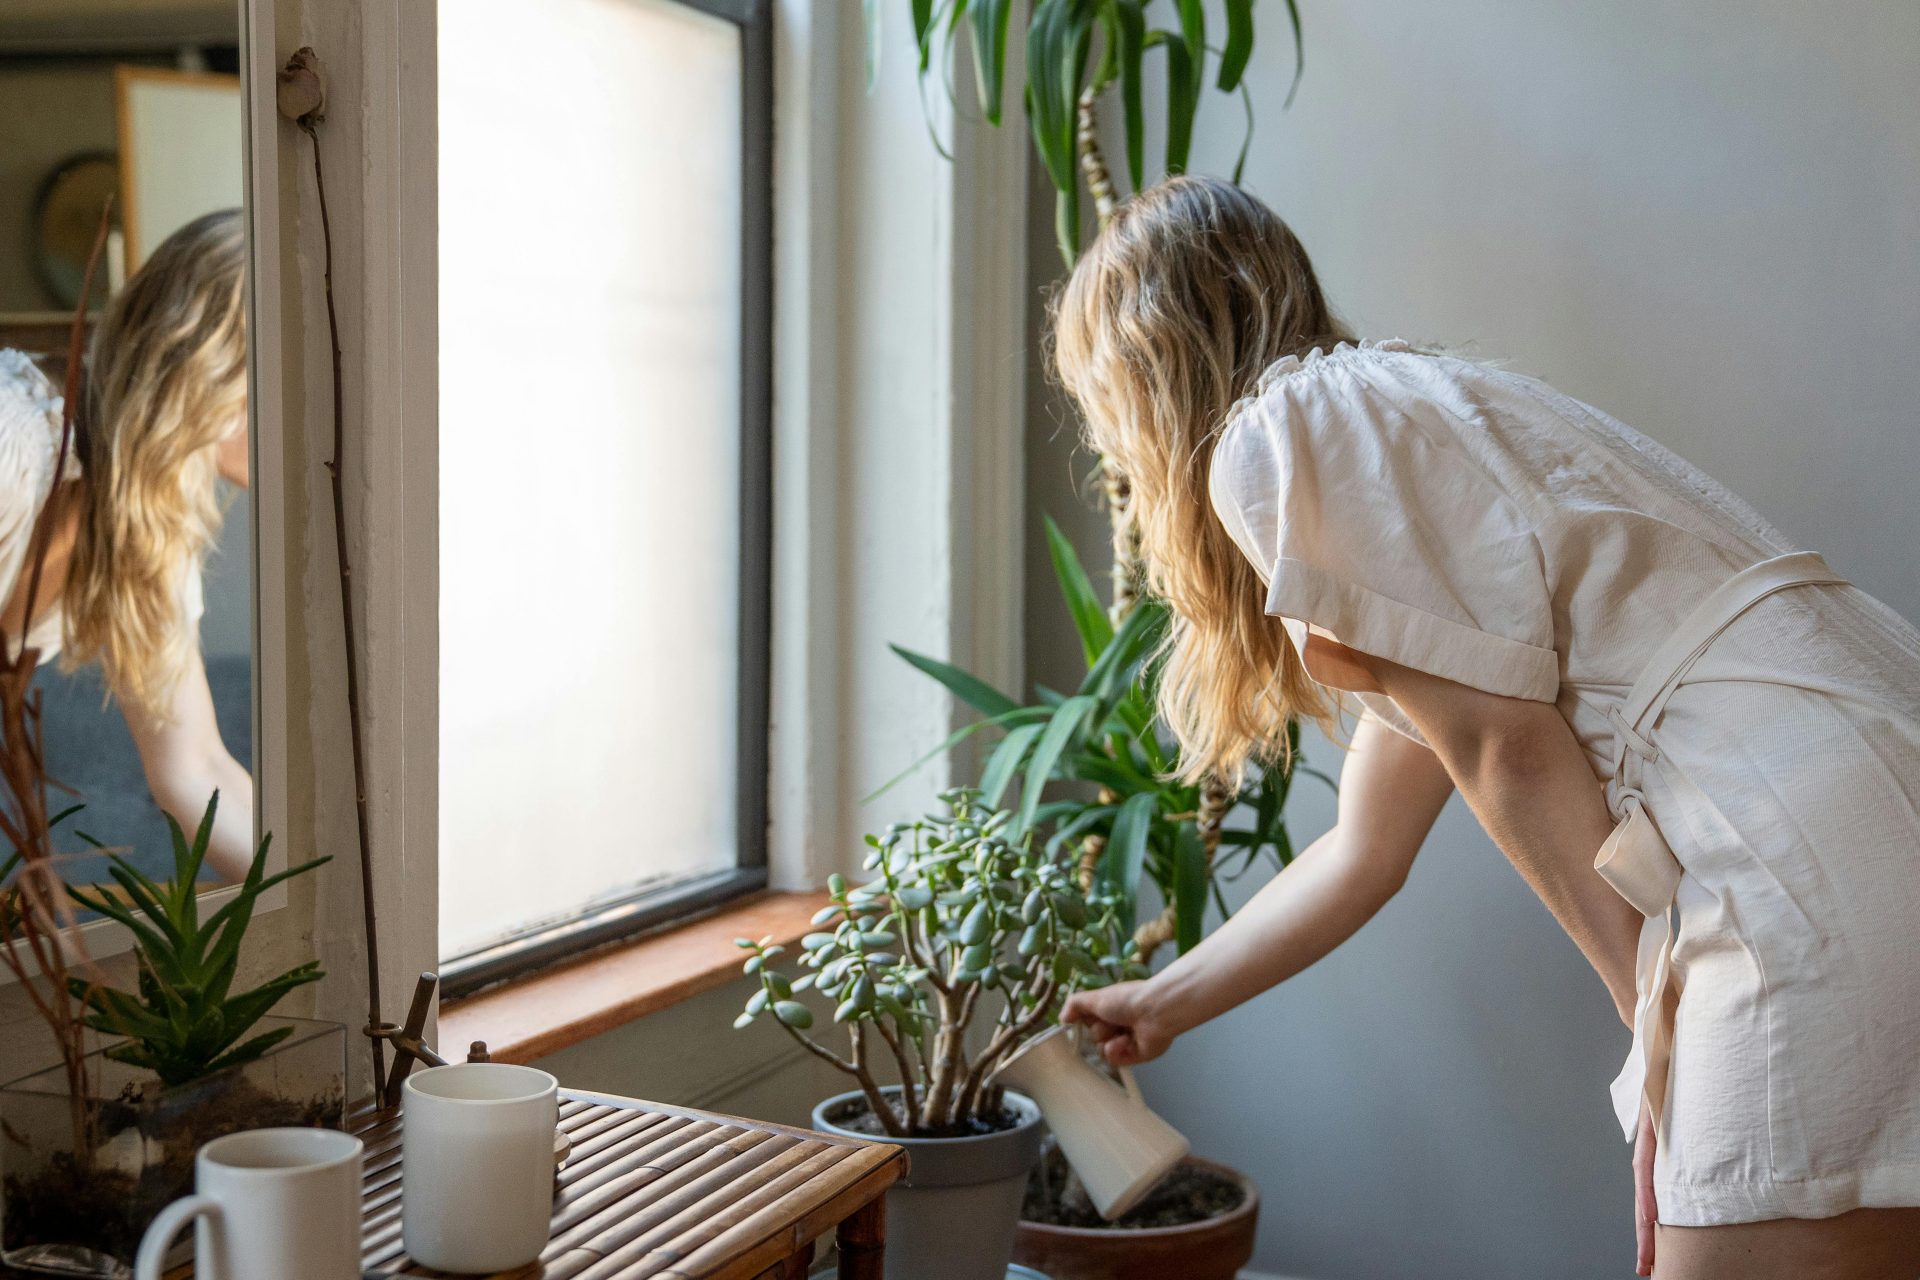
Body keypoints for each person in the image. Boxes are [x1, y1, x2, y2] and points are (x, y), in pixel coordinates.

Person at [1053, 176, 1920, 1278]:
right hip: (1868, 777)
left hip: (1795, 845)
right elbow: (1364, 852)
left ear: (1145, 374)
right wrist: (1161, 1001)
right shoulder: (1400, 440)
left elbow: (1509, 753)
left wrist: (1651, 1054)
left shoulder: (1286, 432)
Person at [0, 209, 253, 882]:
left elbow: (195, 768)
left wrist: (327, 909)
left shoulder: (150, 523)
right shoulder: (13, 443)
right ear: (217, 370)